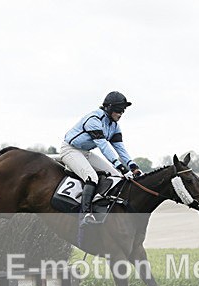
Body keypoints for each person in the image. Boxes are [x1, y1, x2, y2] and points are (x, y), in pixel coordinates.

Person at [60, 91, 143, 227]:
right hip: (70, 150)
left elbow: (120, 148)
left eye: (123, 110)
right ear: (109, 108)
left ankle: (101, 205)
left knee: (117, 177)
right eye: (118, 110)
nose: (121, 113)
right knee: (92, 177)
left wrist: (133, 166)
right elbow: (104, 146)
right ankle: (86, 214)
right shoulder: (94, 120)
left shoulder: (114, 126)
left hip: (85, 152)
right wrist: (121, 166)